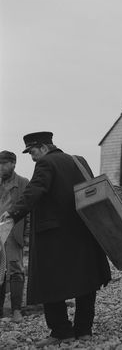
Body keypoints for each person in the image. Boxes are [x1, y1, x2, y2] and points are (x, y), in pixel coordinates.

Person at [0, 132, 111, 348]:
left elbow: (35, 191)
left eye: (32, 152)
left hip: (53, 234)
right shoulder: (79, 161)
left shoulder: (45, 163)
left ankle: (61, 332)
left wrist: (13, 213)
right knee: (85, 278)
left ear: (42, 147)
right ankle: (84, 330)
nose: (32, 157)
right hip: (84, 228)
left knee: (49, 283)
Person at [0, 150, 29, 322]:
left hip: (13, 233)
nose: (1, 167)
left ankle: (17, 310)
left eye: (4, 163)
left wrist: (26, 235)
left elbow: (30, 209)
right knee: (0, 271)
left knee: (16, 269)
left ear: (13, 164)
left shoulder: (23, 183)